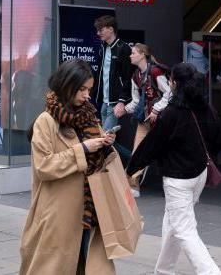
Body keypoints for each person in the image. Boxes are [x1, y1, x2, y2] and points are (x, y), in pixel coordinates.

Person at [20, 59, 118, 275]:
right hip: (59, 213)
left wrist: (103, 143)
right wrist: (83, 149)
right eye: (82, 89)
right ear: (67, 85)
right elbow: (44, 166)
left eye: (89, 89)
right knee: (56, 267)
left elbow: (95, 159)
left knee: (91, 267)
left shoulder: (89, 116)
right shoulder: (45, 121)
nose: (87, 95)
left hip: (91, 210)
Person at [126, 62, 221, 275]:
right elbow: (217, 138)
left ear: (175, 83)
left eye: (170, 80)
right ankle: (163, 271)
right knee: (174, 222)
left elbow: (151, 145)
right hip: (199, 173)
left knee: (184, 229)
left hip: (178, 178)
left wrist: (130, 170)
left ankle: (210, 272)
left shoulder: (172, 113)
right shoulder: (206, 108)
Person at [127, 44, 170, 187]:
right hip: (144, 120)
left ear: (142, 55)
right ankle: (133, 184)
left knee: (165, 151)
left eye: (133, 53)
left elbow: (169, 93)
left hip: (160, 120)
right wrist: (124, 109)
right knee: (137, 151)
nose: (130, 56)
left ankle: (173, 180)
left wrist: (156, 109)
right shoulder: (135, 76)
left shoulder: (156, 72)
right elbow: (136, 101)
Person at [93, 15, 136, 158]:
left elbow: (128, 78)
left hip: (114, 103)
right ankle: (117, 170)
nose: (98, 33)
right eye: (97, 30)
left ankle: (132, 162)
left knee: (104, 140)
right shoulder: (103, 47)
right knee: (107, 140)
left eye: (101, 29)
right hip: (105, 102)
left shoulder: (123, 49)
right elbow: (102, 75)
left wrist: (122, 102)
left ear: (111, 29)